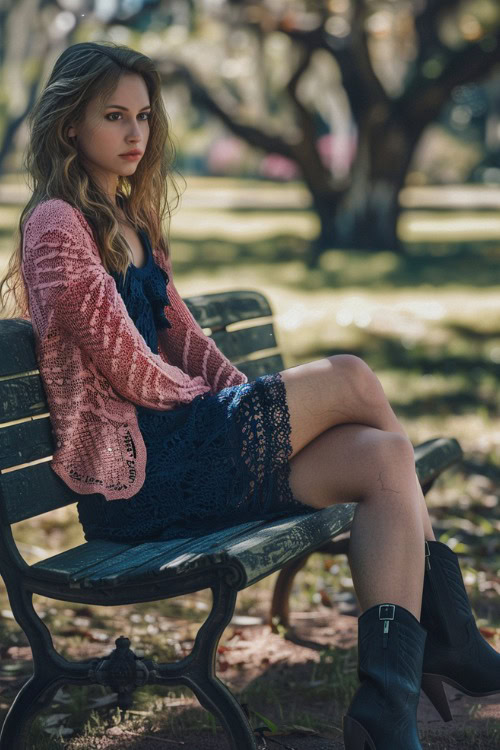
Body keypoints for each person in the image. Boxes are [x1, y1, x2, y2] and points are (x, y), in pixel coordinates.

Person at [0, 41, 498, 750]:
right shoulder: (57, 225)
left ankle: (384, 710)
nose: (135, 133)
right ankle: (448, 630)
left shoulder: (132, 220)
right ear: (70, 125)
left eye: (143, 115)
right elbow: (129, 367)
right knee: (352, 375)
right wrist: (226, 405)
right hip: (139, 482)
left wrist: (244, 396)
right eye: (114, 116)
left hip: (187, 448)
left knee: (385, 458)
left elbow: (188, 342)